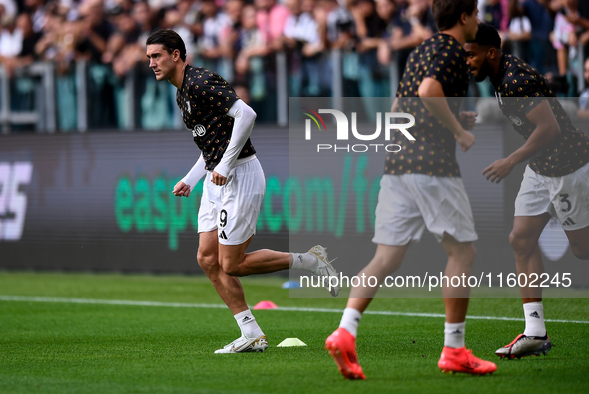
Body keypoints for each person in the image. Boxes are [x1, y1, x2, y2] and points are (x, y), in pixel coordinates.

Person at [324, 0, 497, 379]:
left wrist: (452, 116)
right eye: (477, 15)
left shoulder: (422, 47)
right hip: (431, 166)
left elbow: (404, 101)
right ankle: (454, 349)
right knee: (462, 252)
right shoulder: (451, 50)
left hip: (398, 163)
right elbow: (429, 89)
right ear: (465, 17)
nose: (479, 21)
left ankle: (345, 330)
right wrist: (458, 130)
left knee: (386, 258)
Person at [145, 28, 339, 354]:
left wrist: (224, 165)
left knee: (231, 264)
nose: (151, 63)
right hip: (215, 178)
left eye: (156, 55)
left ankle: (310, 261)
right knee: (207, 258)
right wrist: (195, 177)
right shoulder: (181, 92)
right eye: (149, 56)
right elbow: (211, 144)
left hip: (241, 175)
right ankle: (251, 333)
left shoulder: (201, 82)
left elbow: (246, 114)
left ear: (176, 55)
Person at [464, 23, 589, 359]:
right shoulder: (499, 77)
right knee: (520, 239)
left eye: (471, 55)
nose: (467, 62)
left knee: (582, 250)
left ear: (490, 52)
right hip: (540, 169)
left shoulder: (516, 79)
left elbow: (549, 128)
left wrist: (511, 160)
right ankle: (535, 331)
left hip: (568, 168)